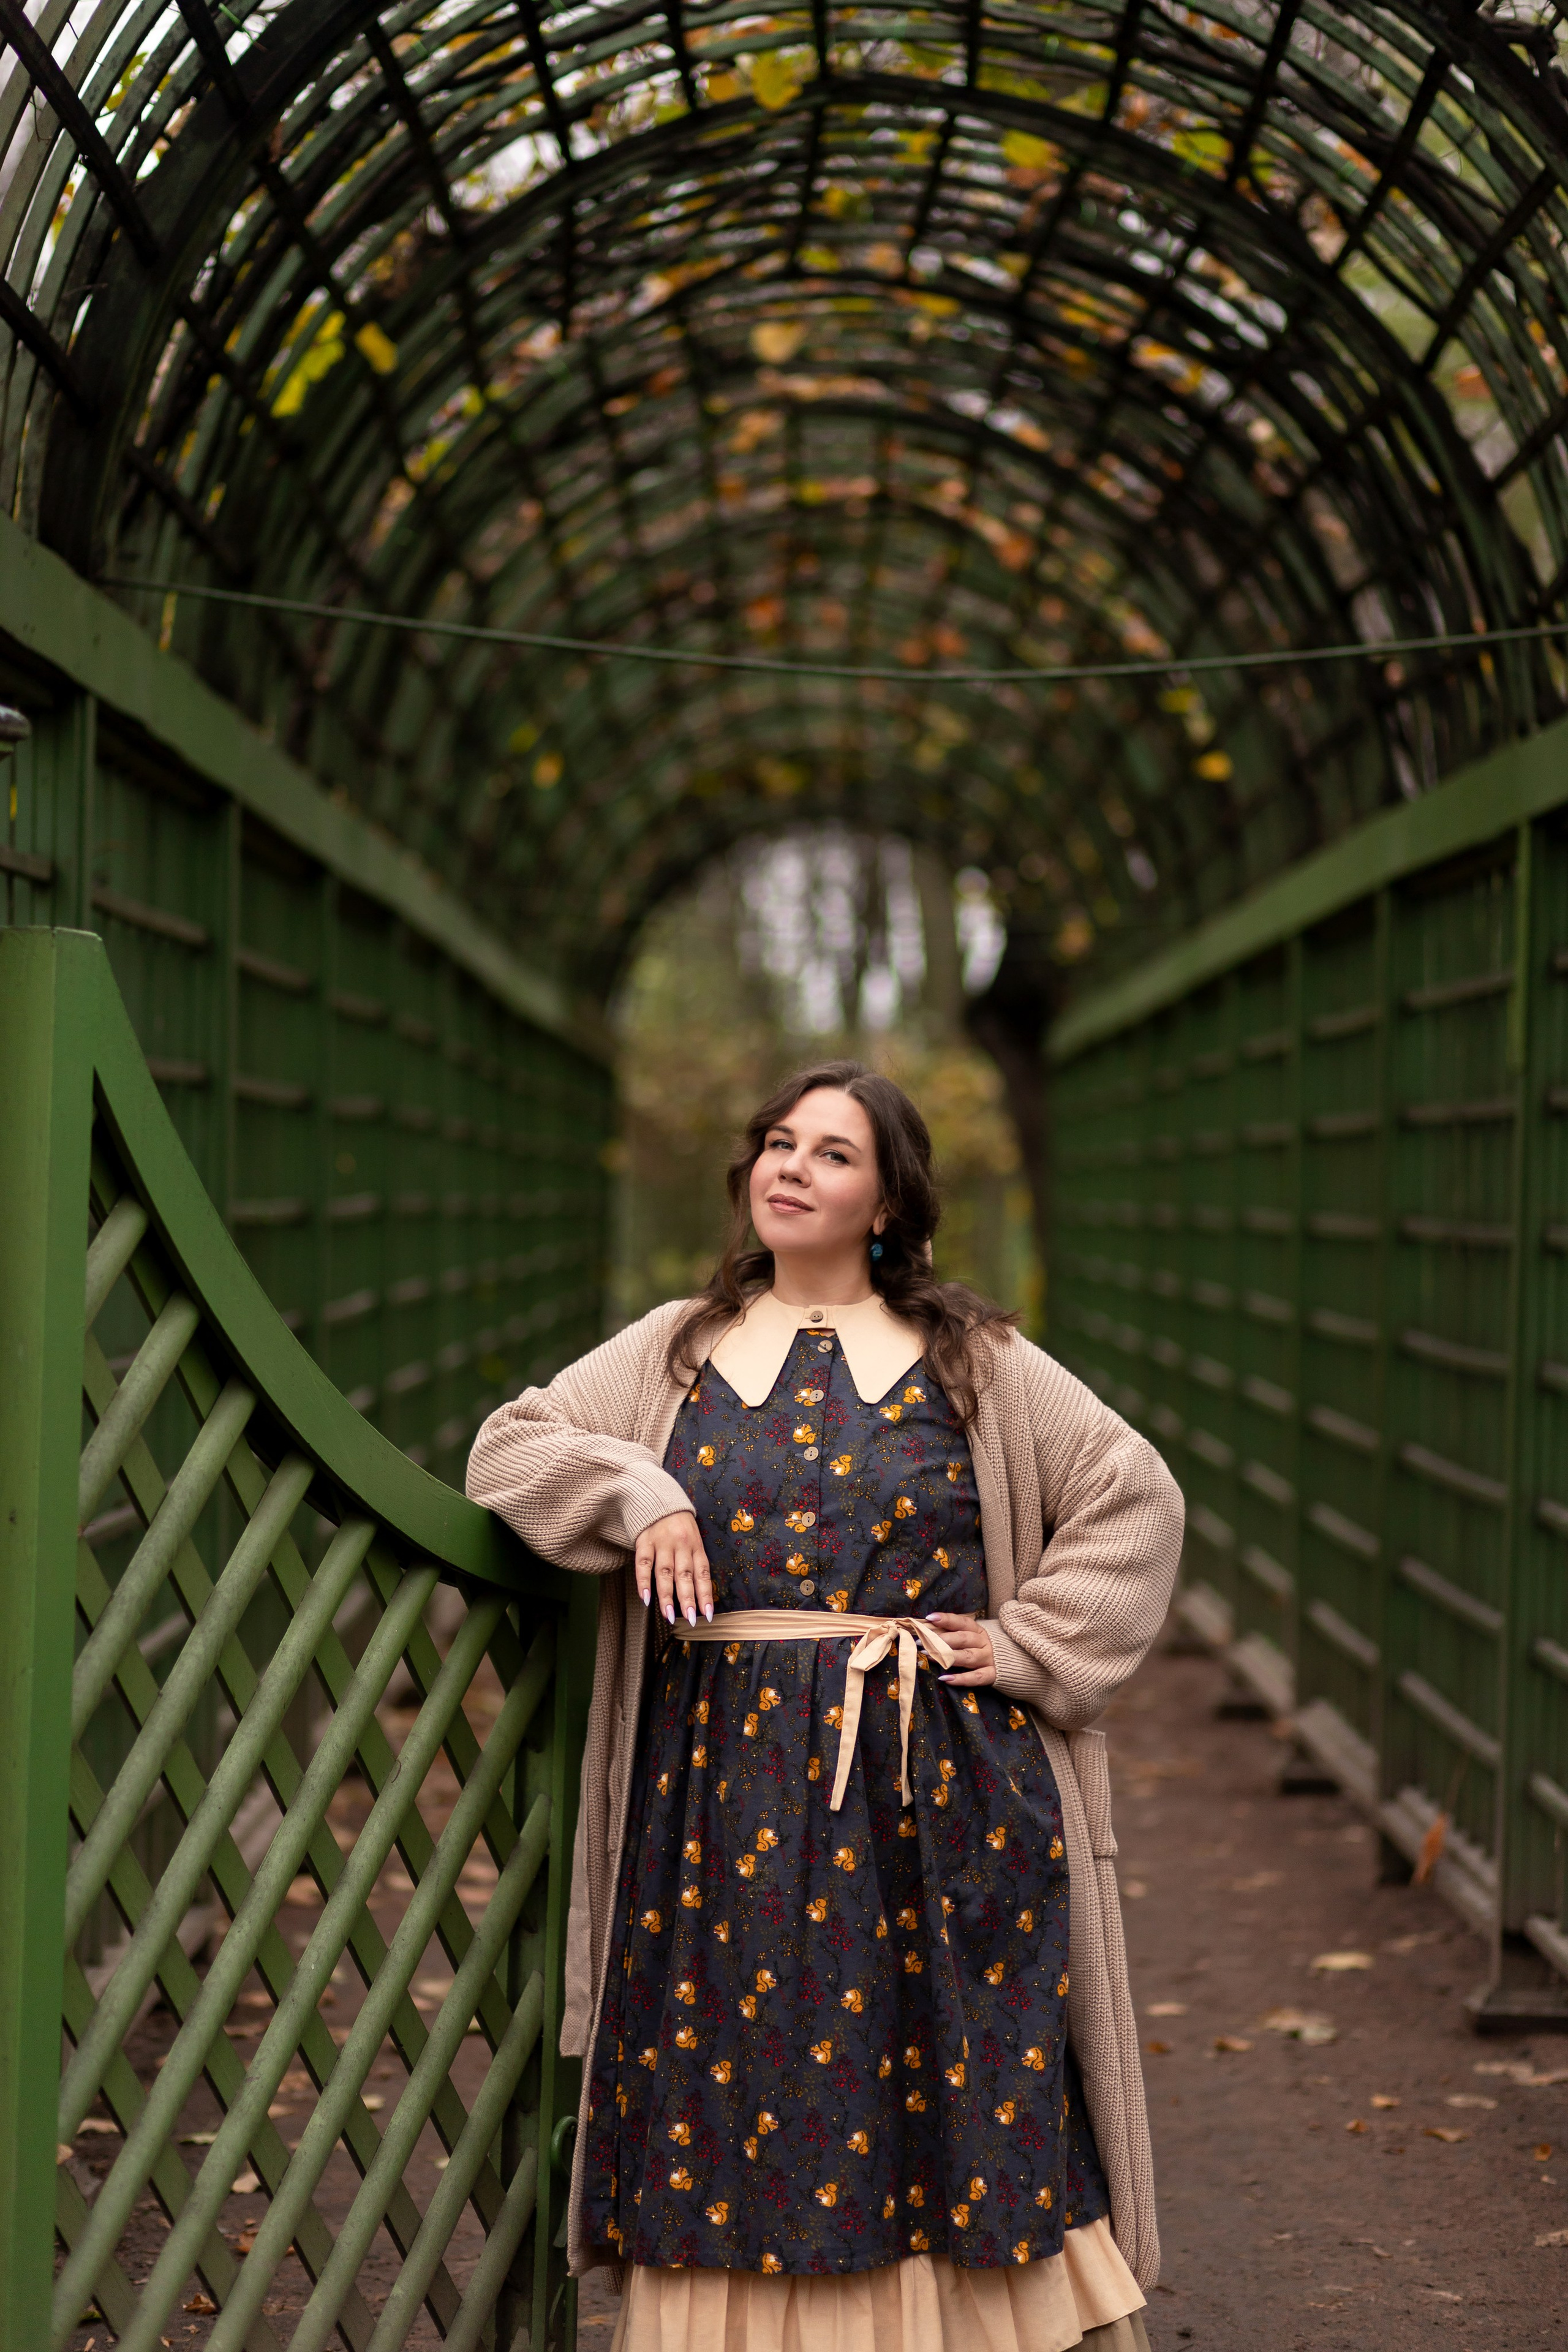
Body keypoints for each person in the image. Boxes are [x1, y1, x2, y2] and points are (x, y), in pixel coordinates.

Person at [467, 1061, 1183, 2352]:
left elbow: (1132, 1496)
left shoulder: (977, 1363)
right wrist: (644, 1495)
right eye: (778, 1144)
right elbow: (506, 1451)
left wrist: (1026, 1648)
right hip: (713, 1799)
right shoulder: (673, 1350)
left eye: (832, 1153)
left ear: (889, 1201)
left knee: (946, 2074)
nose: (791, 1167)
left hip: (937, 1786)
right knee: (735, 2073)